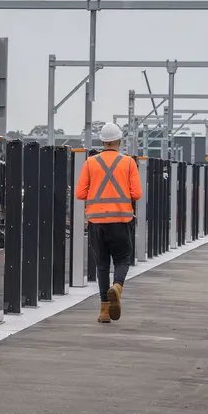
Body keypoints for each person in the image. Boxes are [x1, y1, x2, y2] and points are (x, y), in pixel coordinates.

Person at [75, 122, 143, 323]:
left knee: (102, 265)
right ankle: (118, 287)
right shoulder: (129, 163)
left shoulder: (90, 163)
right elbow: (136, 193)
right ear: (119, 141)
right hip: (121, 220)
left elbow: (80, 193)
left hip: (96, 222)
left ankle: (104, 311)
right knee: (122, 260)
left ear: (103, 141)